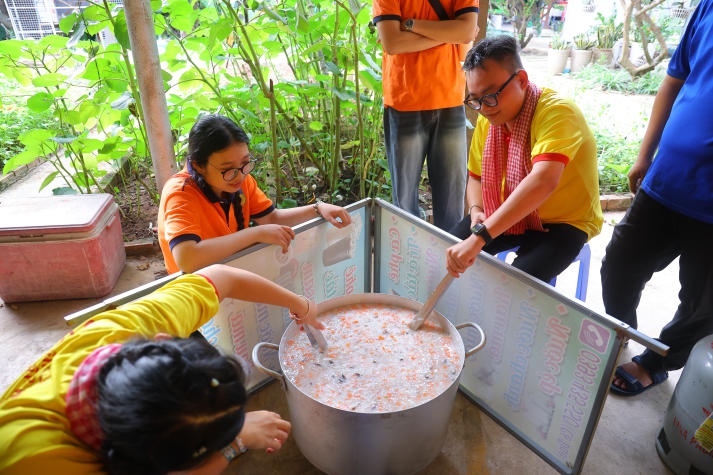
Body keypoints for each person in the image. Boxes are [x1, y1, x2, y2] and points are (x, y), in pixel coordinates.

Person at [0, 263, 324, 475]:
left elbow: (223, 278)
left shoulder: (120, 330)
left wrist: (301, 304)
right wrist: (233, 445)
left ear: (163, 340)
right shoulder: (38, 462)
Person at [603, 0, 713, 397]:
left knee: (703, 303)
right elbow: (674, 81)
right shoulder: (708, 7)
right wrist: (644, 155)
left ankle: (659, 362)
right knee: (619, 263)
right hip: (667, 178)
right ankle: (622, 332)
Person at [445, 35, 603, 282]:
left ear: (521, 79)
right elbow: (475, 177)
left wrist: (480, 237)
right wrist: (477, 211)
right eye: (475, 99)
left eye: (491, 95)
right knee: (446, 249)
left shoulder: (558, 113)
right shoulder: (490, 120)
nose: (485, 108)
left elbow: (543, 181)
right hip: (507, 211)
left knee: (516, 285)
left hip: (563, 224)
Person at [158, 114, 352, 274]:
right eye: (228, 169)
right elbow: (187, 259)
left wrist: (317, 209)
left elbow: (270, 217)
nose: (240, 175)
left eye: (245, 163)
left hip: (229, 272)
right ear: (199, 166)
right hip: (194, 289)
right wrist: (255, 234)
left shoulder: (240, 179)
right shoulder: (180, 193)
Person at [371, 0, 479, 231]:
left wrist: (410, 25)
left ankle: (448, 262)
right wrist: (451, 32)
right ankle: (409, 258)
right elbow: (393, 43)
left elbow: (467, 32)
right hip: (404, 100)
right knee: (405, 201)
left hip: (449, 98)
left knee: (452, 201)